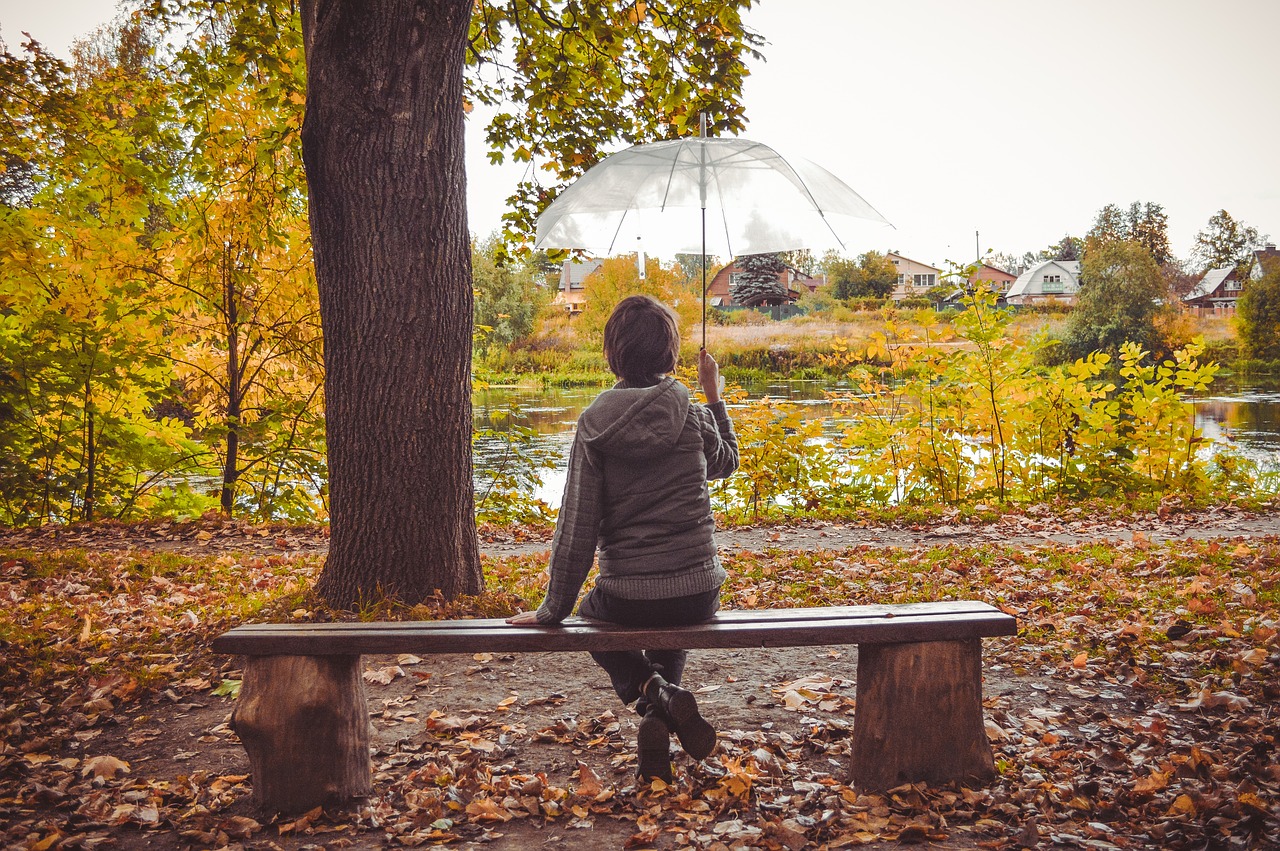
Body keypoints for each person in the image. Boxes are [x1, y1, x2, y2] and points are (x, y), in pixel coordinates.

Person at [506, 294, 739, 782]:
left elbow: (576, 529)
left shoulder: (595, 424)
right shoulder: (691, 411)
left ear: (613, 352)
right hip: (700, 593)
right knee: (670, 613)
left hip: (629, 596)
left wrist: (554, 611)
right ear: (670, 353)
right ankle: (663, 709)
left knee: (590, 616)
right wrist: (713, 395)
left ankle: (652, 691)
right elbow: (725, 464)